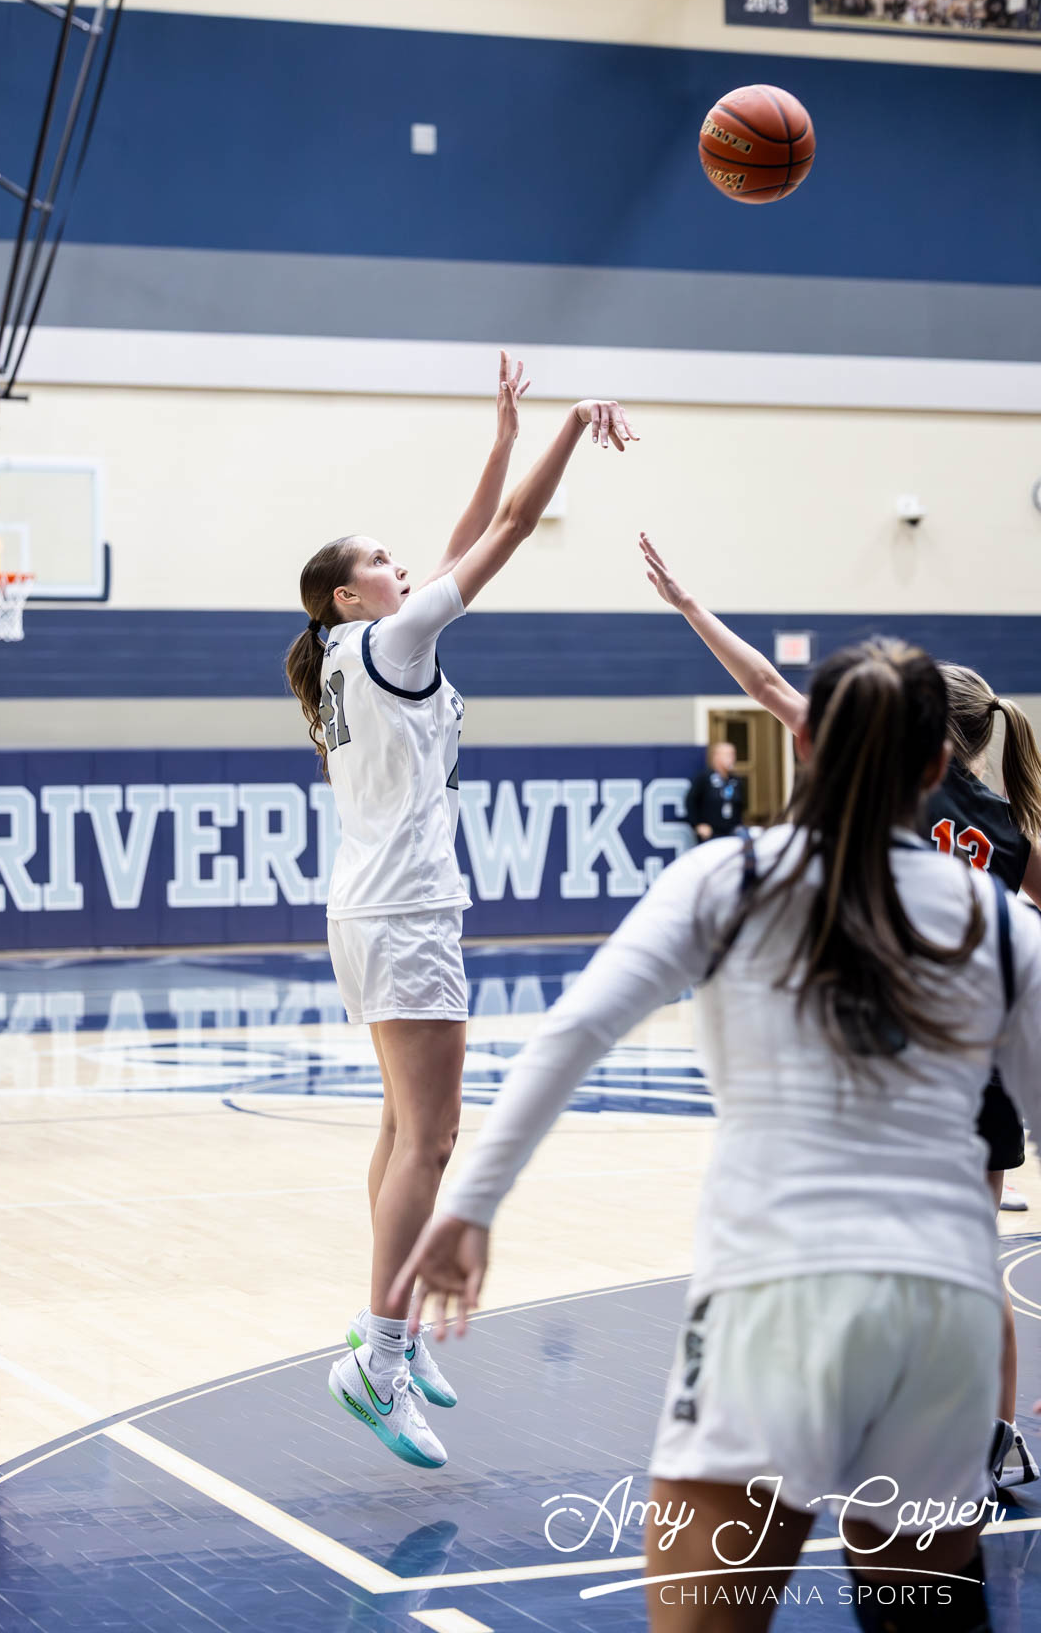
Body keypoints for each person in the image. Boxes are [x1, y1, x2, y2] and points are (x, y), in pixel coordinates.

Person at [401, 638, 1041, 1632]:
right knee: (922, 1615)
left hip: (775, 1299)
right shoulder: (1004, 924)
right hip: (942, 1315)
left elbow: (575, 1031)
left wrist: (471, 1206)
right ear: (936, 768)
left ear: (806, 745)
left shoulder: (727, 879)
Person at [283, 353, 636, 1470]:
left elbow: (463, 539)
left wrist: (500, 438)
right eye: (380, 560)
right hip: (406, 909)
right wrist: (570, 427)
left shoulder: (352, 650)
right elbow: (512, 531)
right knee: (432, 1139)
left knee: (402, 1132)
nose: (403, 566)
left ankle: (378, 1330)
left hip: (366, 909)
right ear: (349, 595)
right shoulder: (391, 641)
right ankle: (379, 1353)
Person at [636, 529, 1041, 1491]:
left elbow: (769, 687)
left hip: (881, 1058)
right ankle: (993, 1435)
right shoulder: (1008, 829)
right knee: (970, 1262)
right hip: (977, 1066)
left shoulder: (886, 788)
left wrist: (691, 608)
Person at [685, 741, 746, 842]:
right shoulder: (704, 778)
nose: (732, 758)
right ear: (716, 757)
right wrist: (698, 825)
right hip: (711, 833)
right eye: (727, 754)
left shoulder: (735, 781)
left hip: (732, 832)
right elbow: (691, 802)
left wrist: (739, 824)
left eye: (733, 754)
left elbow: (741, 805)